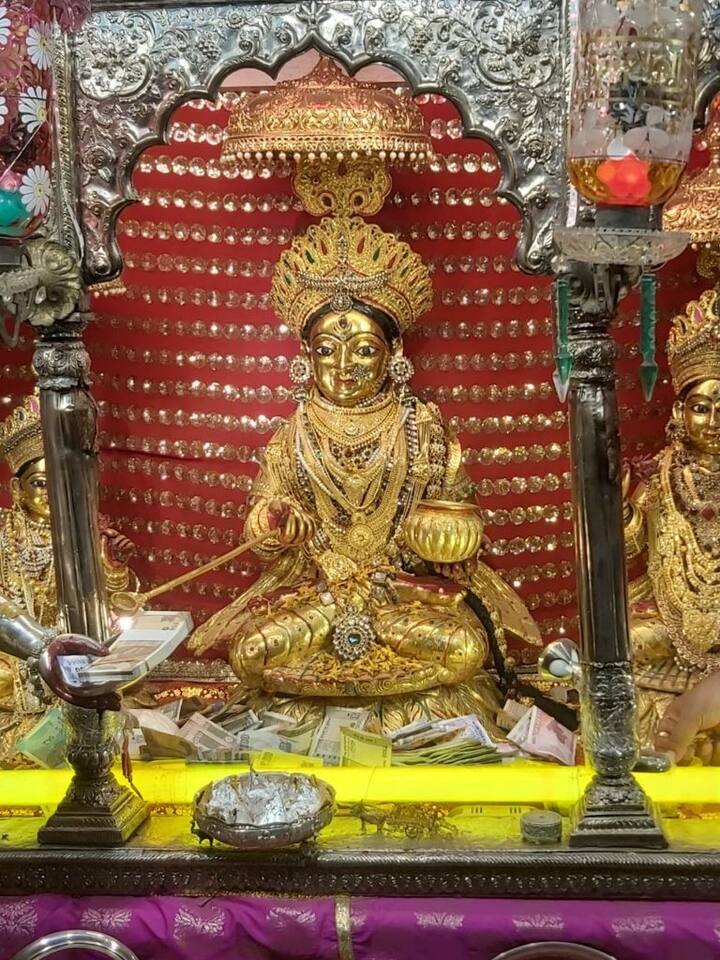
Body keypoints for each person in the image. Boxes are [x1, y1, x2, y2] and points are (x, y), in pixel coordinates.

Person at [189, 215, 540, 732]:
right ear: (306, 356)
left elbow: (462, 517)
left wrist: (445, 532)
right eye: (327, 350)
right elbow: (260, 528)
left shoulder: (424, 429)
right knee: (251, 653)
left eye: (364, 349)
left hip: (403, 597)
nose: (344, 365)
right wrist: (275, 521)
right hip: (320, 596)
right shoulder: (292, 436)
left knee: (465, 649)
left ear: (393, 354)